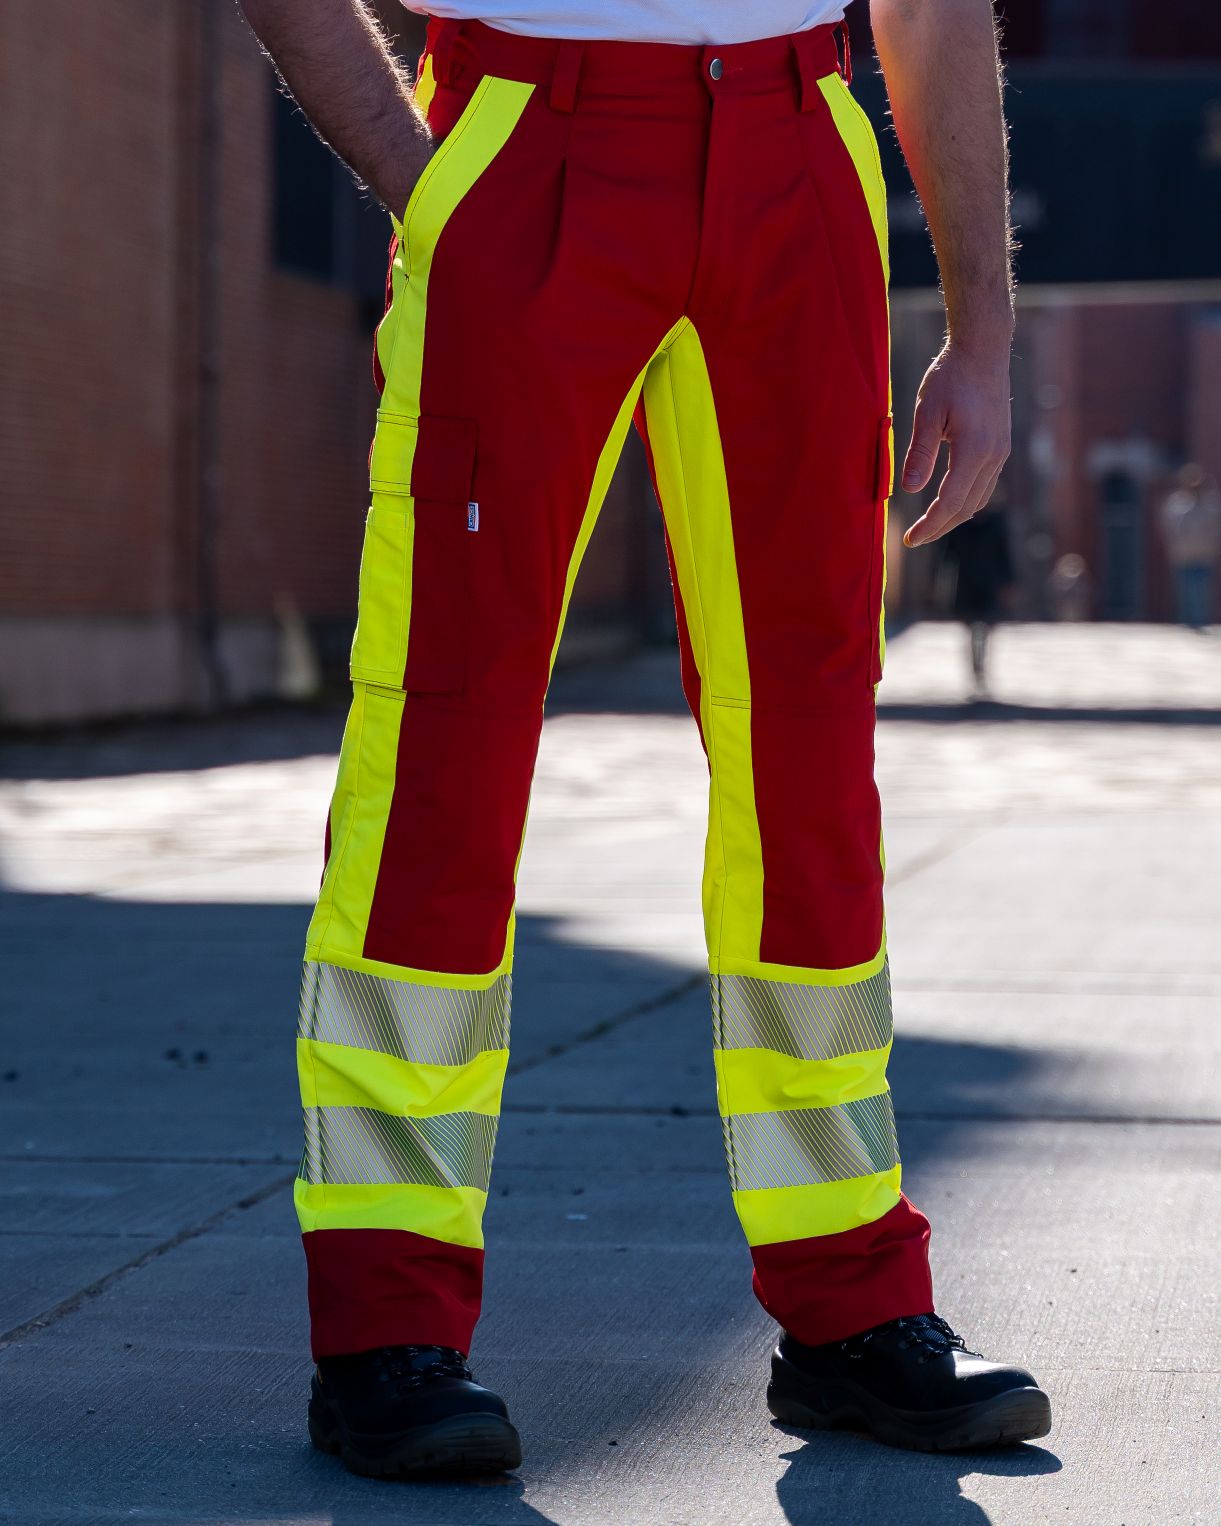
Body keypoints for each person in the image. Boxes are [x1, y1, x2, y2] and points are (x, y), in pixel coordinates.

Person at [239, 0, 1051, 1477]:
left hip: (798, 160)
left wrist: (982, 328)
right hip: (522, 139)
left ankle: (853, 1300)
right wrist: (430, 180)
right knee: (443, 751)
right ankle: (384, 1318)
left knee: (812, 766)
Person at [941, 499, 1015, 697]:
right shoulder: (959, 524)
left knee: (985, 629)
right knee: (971, 630)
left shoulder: (996, 523)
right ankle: (975, 668)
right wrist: (939, 584)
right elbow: (947, 557)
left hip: (988, 585)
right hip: (965, 585)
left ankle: (981, 668)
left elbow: (1004, 555)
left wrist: (1008, 583)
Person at [1161, 465, 1221, 629]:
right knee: (1185, 590)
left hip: (1204, 554)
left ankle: (1200, 620)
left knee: (1200, 589)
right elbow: (1170, 526)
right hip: (1183, 555)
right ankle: (1188, 620)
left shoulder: (1210, 504)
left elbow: (1215, 526)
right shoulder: (1178, 504)